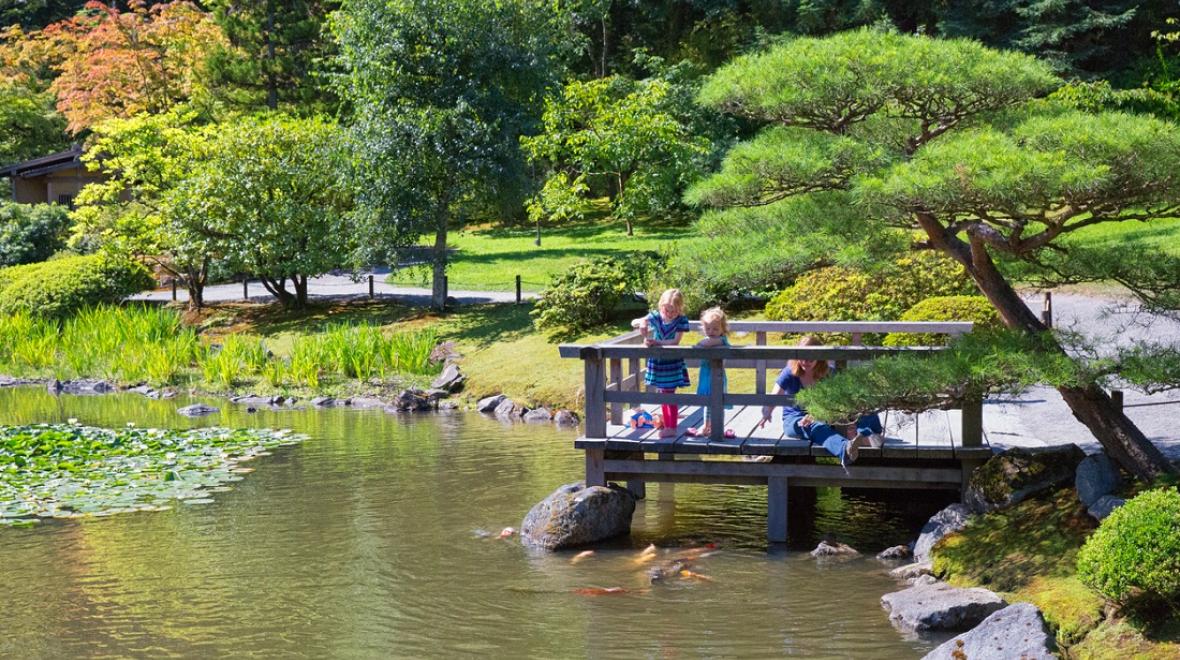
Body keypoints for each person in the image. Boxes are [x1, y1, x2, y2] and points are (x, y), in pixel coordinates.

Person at [759, 336, 885, 467]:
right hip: (796, 419)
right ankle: (845, 449)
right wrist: (767, 412)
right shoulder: (790, 373)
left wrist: (846, 417)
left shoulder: (828, 373)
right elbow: (774, 395)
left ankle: (866, 435)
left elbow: (843, 400)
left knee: (861, 407)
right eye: (802, 357)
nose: (805, 362)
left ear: (819, 357)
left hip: (824, 415)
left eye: (810, 358)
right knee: (816, 427)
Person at [633, 288, 690, 437]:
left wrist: (656, 342)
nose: (670, 313)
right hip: (658, 362)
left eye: (674, 310)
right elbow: (641, 320)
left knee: (669, 393)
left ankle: (671, 427)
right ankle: (666, 422)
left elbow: (675, 341)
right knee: (662, 393)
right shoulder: (656, 316)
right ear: (661, 307)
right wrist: (643, 324)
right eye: (667, 310)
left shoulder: (681, 320)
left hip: (671, 361)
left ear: (679, 308)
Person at [688, 307, 735, 439]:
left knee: (717, 402)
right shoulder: (711, 339)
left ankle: (715, 426)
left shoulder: (721, 340)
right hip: (706, 375)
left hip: (717, 376)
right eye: (708, 328)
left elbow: (704, 343)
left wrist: (698, 346)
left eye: (715, 329)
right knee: (707, 403)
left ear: (722, 329)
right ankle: (706, 426)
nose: (711, 332)